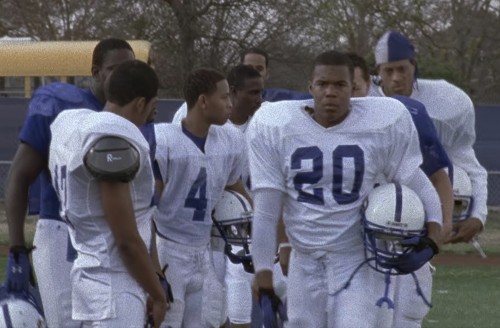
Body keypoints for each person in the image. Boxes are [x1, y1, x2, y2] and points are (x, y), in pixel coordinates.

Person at [248, 50, 443, 328]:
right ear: (310, 87)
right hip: (305, 260)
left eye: (339, 85)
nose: (330, 92)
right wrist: (264, 275)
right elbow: (266, 211)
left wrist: (434, 237)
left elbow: (418, 181)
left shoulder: (383, 122)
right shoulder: (275, 125)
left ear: (353, 88)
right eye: (323, 84)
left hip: (354, 259)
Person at [4, 38, 136, 328]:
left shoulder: (134, 116)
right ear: (96, 71)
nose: (122, 77)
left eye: (129, 69)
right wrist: (16, 246)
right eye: (114, 68)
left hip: (112, 237)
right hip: (62, 233)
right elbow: (19, 175)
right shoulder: (60, 104)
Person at [48, 60, 168, 327]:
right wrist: (157, 294)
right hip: (115, 283)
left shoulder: (71, 123)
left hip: (89, 274)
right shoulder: (112, 135)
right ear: (140, 103)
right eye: (152, 105)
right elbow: (125, 240)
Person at [348, 51, 453, 327]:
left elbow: (434, 178)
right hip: (343, 246)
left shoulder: (399, 117)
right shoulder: (316, 127)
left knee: (408, 311)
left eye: (352, 87)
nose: (347, 96)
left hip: (402, 234)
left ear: (367, 86)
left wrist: (434, 239)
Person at [153, 68, 250, 328]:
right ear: (203, 101)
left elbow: (234, 185)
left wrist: (257, 214)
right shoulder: (165, 140)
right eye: (224, 97)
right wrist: (151, 262)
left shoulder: (230, 140)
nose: (230, 104)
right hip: (168, 249)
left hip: (203, 251)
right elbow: (147, 208)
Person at [370, 31, 488, 245]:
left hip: (421, 208)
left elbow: (468, 163)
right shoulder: (362, 99)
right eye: (389, 71)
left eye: (402, 69)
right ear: (378, 71)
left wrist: (478, 214)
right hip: (373, 208)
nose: (396, 77)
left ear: (413, 65)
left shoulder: (447, 100)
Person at [171, 47, 311, 124]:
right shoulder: (195, 107)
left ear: (267, 73)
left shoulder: (267, 112)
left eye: (259, 68)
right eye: (248, 67)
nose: (253, 72)